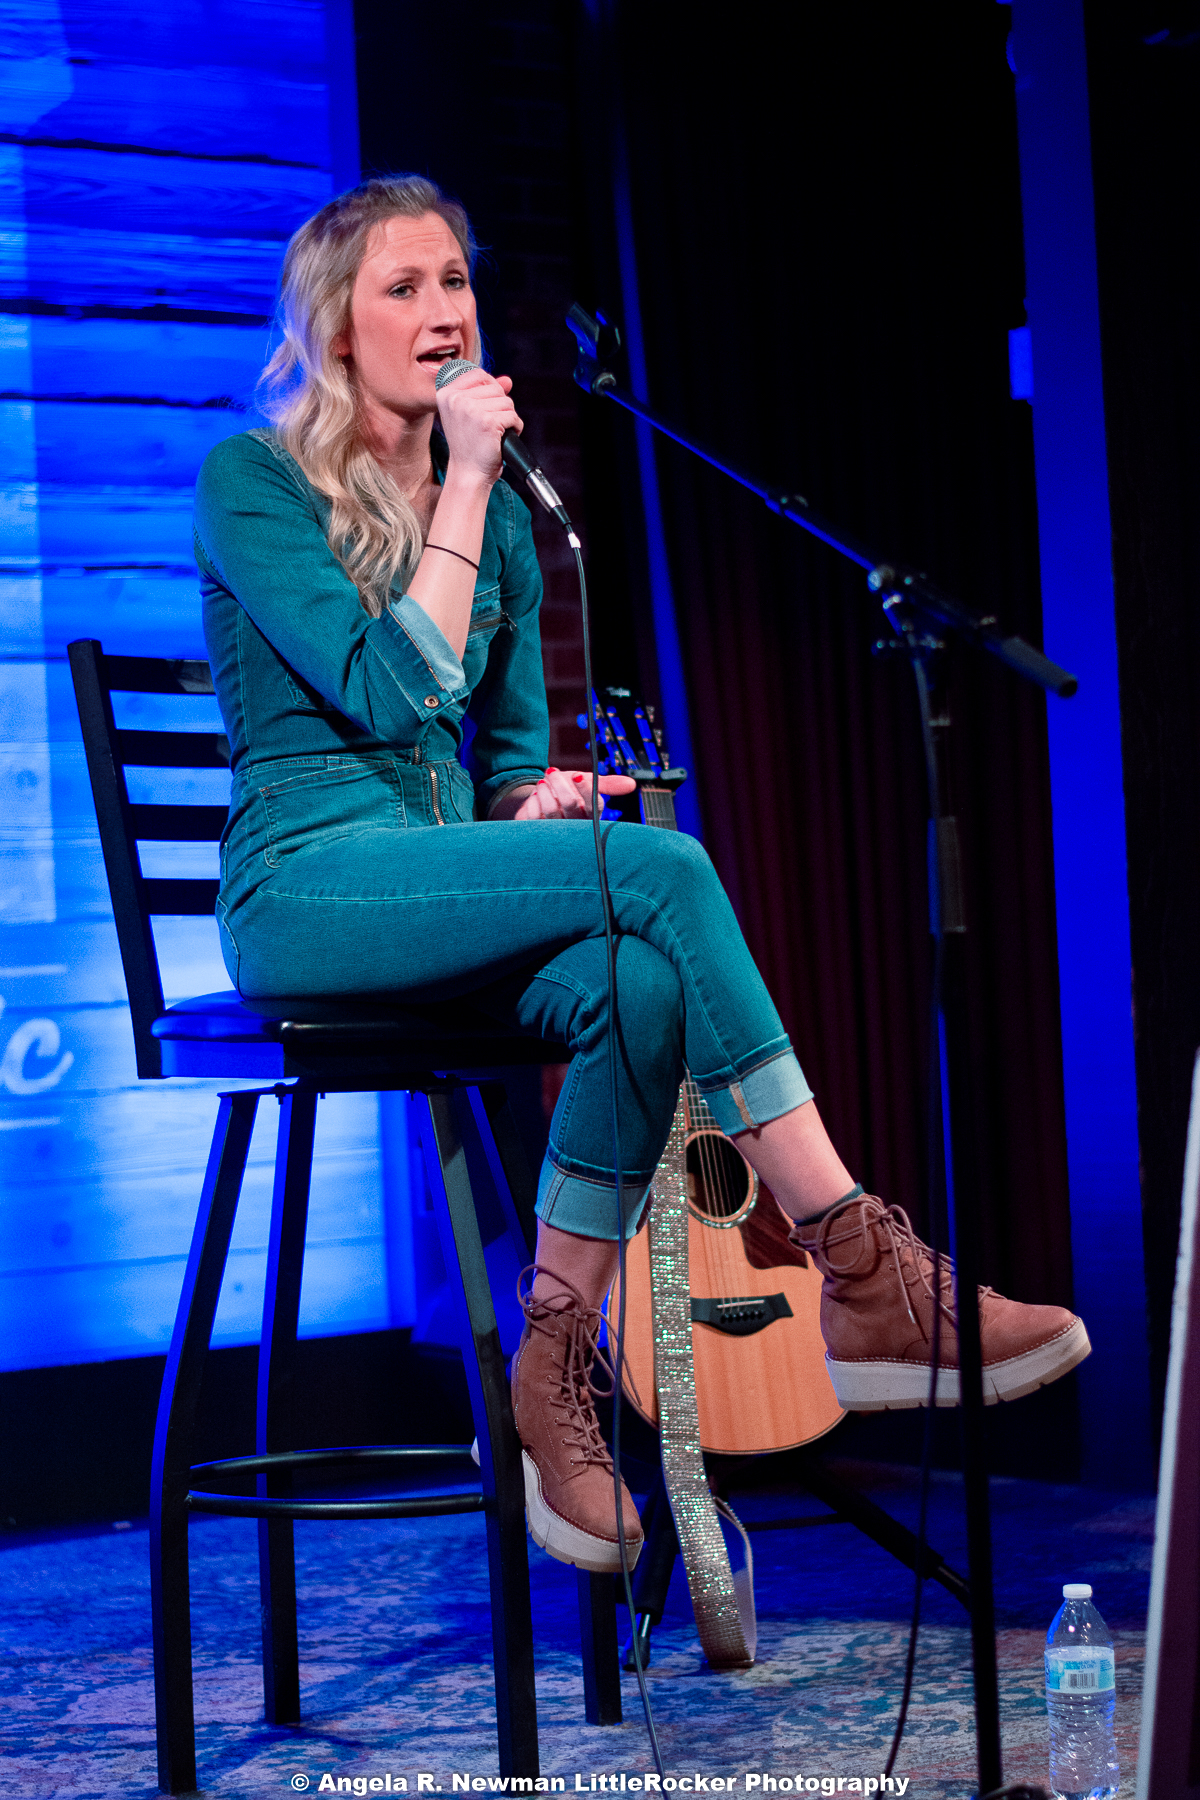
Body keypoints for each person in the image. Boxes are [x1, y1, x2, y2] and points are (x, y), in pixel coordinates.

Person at [193, 175, 1090, 1578]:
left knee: (639, 983)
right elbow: (383, 691)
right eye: (402, 288)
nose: (442, 311)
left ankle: (550, 1370)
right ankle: (861, 1265)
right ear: (334, 328)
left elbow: (500, 763)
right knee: (665, 872)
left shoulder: (497, 518)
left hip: (434, 877)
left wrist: (536, 802)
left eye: (455, 281)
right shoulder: (252, 482)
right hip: (304, 889)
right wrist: (469, 480)